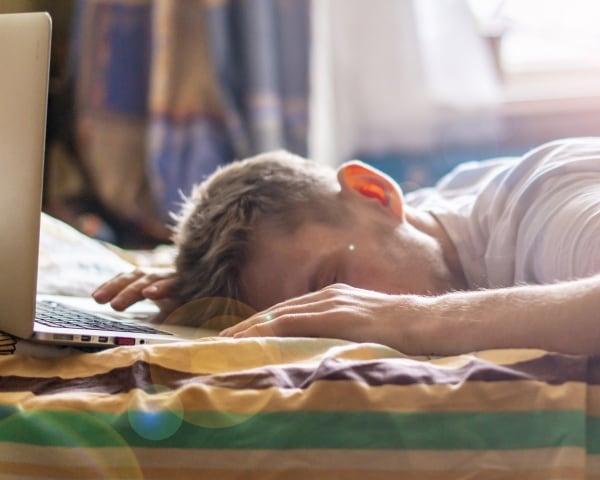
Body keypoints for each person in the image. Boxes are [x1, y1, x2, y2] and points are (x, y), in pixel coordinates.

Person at [93, 137, 600, 356]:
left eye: (332, 284)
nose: (345, 319)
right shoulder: (420, 225)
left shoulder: (546, 199)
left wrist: (407, 318)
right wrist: (195, 291)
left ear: (373, 193)